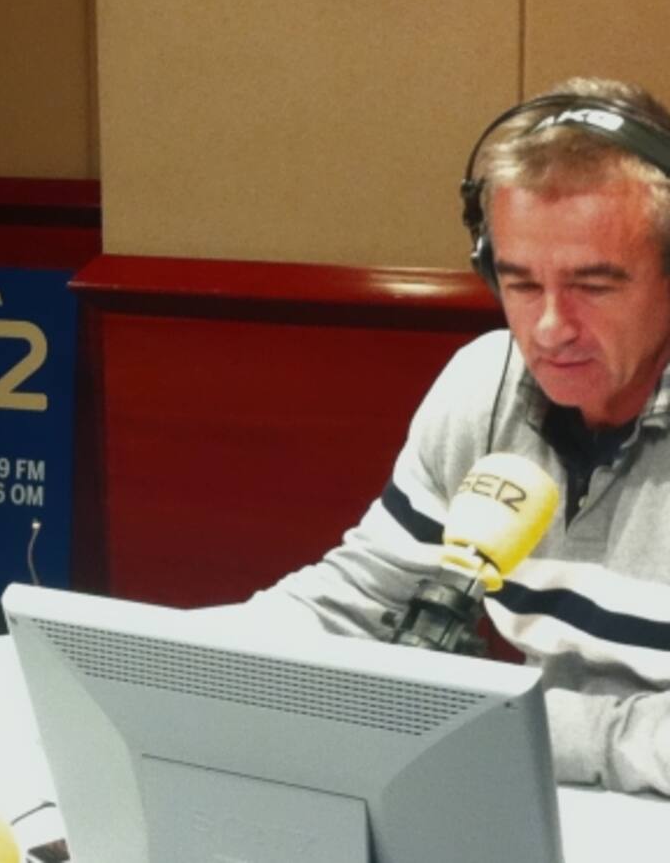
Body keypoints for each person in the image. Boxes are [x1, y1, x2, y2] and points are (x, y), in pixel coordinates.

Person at [247, 76, 670, 795]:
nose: (549, 329)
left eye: (594, 286)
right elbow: (361, 597)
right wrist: (197, 663)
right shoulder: (485, 385)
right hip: (542, 795)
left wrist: (515, 728)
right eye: (521, 284)